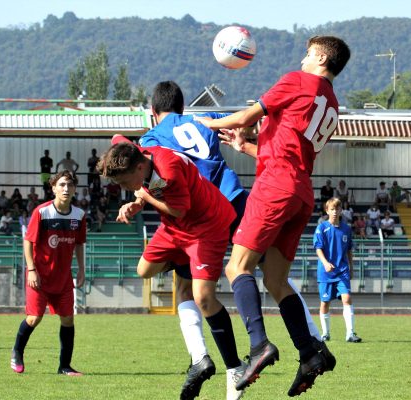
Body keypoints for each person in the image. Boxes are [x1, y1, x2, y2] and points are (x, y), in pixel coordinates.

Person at [134, 80, 322, 400]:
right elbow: (246, 121)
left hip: (199, 217)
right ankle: (313, 340)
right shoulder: (204, 118)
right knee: (273, 276)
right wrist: (248, 138)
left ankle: (206, 359)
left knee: (188, 290)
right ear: (181, 107)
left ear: (153, 112)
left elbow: (154, 176)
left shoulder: (150, 139)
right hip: (235, 202)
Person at [197, 35, 349, 396]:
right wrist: (245, 145)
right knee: (277, 281)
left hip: (275, 188)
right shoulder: (331, 101)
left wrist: (208, 123)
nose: (302, 58)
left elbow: (250, 115)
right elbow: (288, 151)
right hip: (300, 192)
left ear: (322, 58)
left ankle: (259, 345)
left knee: (237, 268)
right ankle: (310, 351)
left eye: (309, 53)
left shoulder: (298, 80)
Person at [98, 140, 245, 399]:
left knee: (203, 298)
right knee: (144, 270)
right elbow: (118, 139)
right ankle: (200, 358)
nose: (123, 188)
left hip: (206, 226)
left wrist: (142, 197)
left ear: (141, 167)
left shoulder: (170, 170)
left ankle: (235, 368)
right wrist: (137, 202)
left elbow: (178, 209)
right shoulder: (134, 154)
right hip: (176, 229)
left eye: (124, 183)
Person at [10, 170, 86, 376]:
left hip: (62, 279)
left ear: (75, 189)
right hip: (40, 278)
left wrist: (81, 269)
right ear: (53, 188)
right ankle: (17, 351)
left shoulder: (79, 215)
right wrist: (32, 270)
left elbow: (79, 244)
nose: (66, 189)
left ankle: (64, 366)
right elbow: (28, 242)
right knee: (34, 318)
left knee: (68, 319)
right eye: (61, 185)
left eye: (70, 185)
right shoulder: (42, 212)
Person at [314, 198, 361, 344]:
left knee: (346, 298)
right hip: (326, 271)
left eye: (337, 209)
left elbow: (349, 251)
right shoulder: (322, 228)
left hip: (342, 271)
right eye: (332, 209)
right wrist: (325, 263)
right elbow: (318, 249)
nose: (335, 212)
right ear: (327, 211)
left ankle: (350, 333)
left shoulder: (346, 229)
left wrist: (351, 268)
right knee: (325, 303)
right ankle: (325, 333)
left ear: (341, 211)